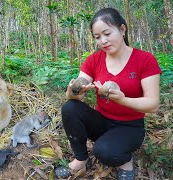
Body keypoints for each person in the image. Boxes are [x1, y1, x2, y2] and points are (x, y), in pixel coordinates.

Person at [55, 7, 161, 180]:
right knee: (70, 107)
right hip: (102, 121)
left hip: (130, 127)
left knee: (104, 152)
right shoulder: (94, 59)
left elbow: (153, 104)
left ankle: (126, 161)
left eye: (107, 33)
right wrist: (73, 90)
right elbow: (77, 91)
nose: (103, 41)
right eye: (97, 37)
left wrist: (123, 100)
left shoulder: (145, 59)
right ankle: (80, 159)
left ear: (122, 29)